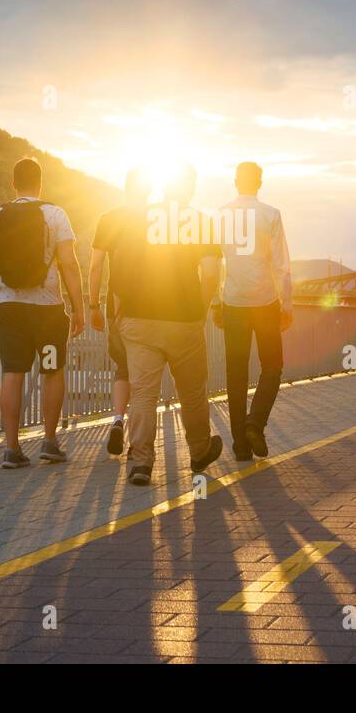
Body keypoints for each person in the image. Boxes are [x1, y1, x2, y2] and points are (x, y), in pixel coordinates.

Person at [115, 166, 224, 486]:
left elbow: (119, 269)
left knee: (143, 393)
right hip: (184, 320)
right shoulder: (201, 223)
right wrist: (200, 309)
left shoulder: (138, 219)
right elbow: (212, 273)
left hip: (138, 317)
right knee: (192, 391)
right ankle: (200, 451)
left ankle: (140, 462)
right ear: (190, 189)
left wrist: (119, 312)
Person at [0, 157, 85, 469]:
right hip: (48, 311)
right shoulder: (55, 214)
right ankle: (49, 442)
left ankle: (11, 448)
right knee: (52, 370)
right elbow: (69, 263)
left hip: (10, 308)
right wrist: (79, 307)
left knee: (13, 372)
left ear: (14, 183)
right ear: (41, 183)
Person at [213, 161, 294, 461]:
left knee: (236, 372)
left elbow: (214, 262)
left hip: (233, 300)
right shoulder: (271, 215)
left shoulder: (220, 214)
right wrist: (286, 303)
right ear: (260, 183)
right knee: (272, 366)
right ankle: (255, 423)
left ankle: (240, 444)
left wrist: (214, 302)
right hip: (265, 301)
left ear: (236, 182)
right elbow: (281, 264)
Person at [88, 168, 151, 456]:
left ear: (125, 189)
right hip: (154, 305)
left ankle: (117, 420)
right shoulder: (158, 220)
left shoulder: (109, 219)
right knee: (145, 373)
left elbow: (95, 265)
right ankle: (140, 439)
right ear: (148, 191)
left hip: (117, 304)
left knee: (123, 367)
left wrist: (93, 305)